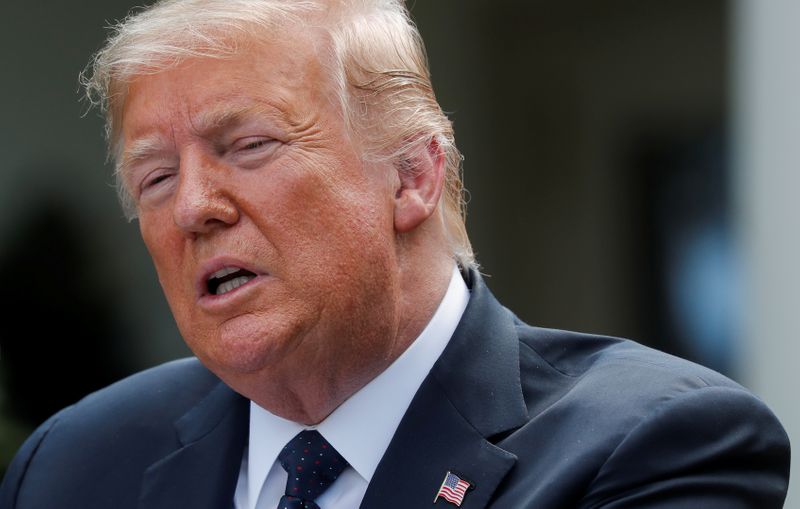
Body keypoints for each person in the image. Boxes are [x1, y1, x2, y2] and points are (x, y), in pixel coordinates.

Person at [0, 0, 790, 507]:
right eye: (157, 177)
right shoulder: (72, 466)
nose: (194, 207)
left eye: (248, 145)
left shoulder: (654, 448)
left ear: (412, 175)